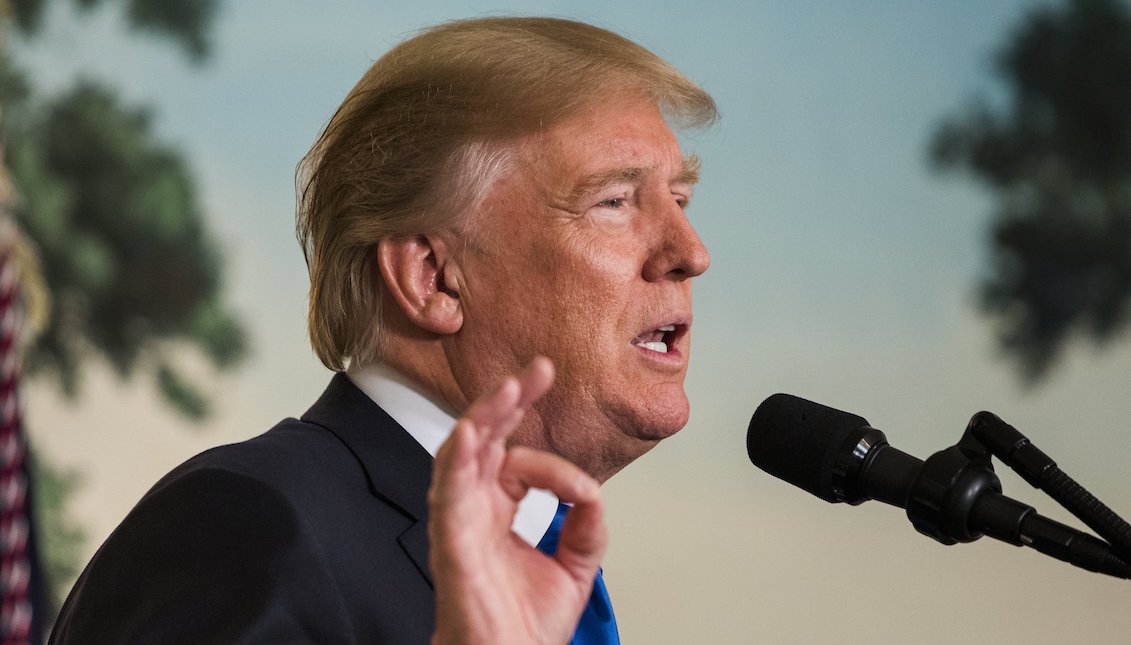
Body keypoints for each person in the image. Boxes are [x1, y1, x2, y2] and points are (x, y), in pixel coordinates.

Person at [49, 16, 716, 644]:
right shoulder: (242, 526)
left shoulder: (545, 560)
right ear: (431, 276)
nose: (691, 251)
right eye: (613, 201)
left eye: (679, 200)